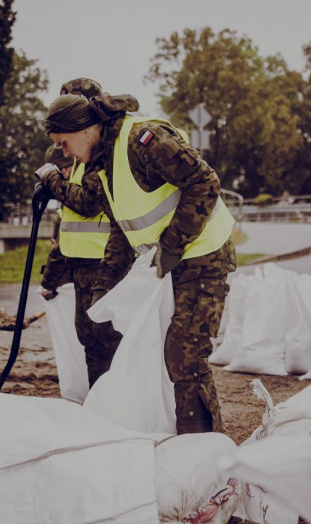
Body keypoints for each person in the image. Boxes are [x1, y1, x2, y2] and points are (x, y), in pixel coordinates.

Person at [44, 90, 236, 434]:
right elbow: (122, 229)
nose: (65, 153)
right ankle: (185, 443)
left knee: (185, 358)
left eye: (64, 143)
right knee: (162, 357)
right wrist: (104, 287)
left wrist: (173, 243)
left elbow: (205, 182)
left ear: (85, 128)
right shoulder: (102, 164)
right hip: (172, 263)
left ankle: (207, 453)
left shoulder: (142, 141)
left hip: (204, 255)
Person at [36, 77, 125, 386]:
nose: (64, 150)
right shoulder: (77, 160)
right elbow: (68, 230)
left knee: (108, 340)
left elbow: (87, 204)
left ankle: (116, 405)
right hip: (83, 268)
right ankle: (100, 402)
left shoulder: (100, 154)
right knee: (90, 339)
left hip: (107, 266)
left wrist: (50, 181)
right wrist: (51, 278)